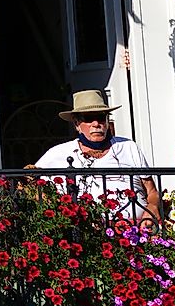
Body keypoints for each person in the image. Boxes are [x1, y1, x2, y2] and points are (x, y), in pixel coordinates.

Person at [32, 90, 157, 218]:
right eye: (89, 118)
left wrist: (151, 209)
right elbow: (29, 184)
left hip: (136, 230)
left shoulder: (128, 147)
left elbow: (152, 192)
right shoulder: (58, 153)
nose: (96, 124)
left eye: (101, 118)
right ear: (77, 124)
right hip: (88, 233)